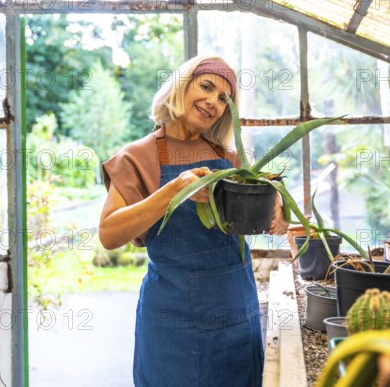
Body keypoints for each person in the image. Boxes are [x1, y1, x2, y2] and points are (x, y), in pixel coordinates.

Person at [98, 55, 288, 387]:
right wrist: (172, 191)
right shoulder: (136, 157)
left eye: (223, 99)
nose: (213, 102)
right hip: (173, 326)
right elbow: (109, 234)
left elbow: (261, 223)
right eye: (207, 86)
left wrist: (278, 208)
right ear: (182, 85)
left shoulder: (229, 160)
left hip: (237, 316)